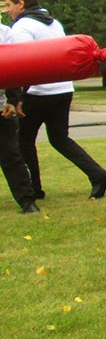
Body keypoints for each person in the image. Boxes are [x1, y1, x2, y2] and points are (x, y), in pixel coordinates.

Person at [3, 0, 106, 202]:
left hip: (37, 92)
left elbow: (21, 63)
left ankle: (34, 189)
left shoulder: (22, 27)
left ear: (20, 3)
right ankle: (97, 174)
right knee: (60, 139)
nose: (7, 11)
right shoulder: (53, 23)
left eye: (8, 5)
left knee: (23, 141)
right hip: (62, 90)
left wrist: (18, 97)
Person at [0, 20, 39, 214]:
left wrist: (13, 100)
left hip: (1, 106)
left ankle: (27, 201)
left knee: (10, 154)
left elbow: (15, 66)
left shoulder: (4, 33)